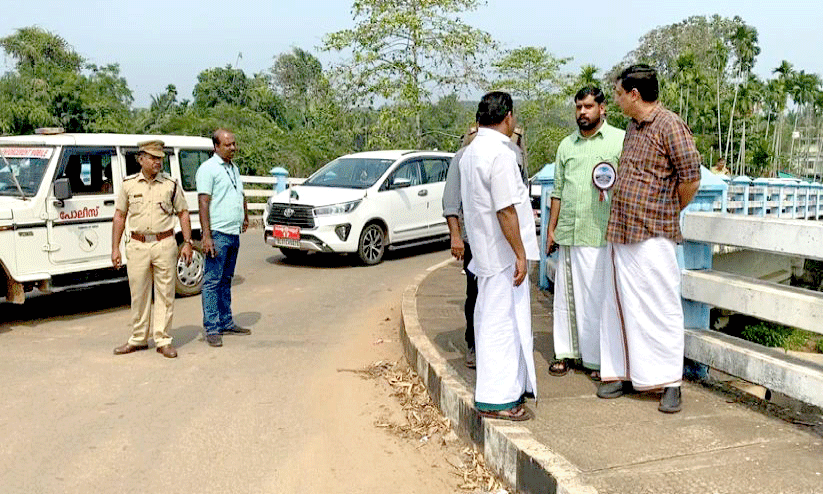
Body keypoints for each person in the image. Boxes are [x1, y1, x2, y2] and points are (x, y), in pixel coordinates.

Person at [598, 64, 702, 413]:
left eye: (617, 93)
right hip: (623, 230)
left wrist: (670, 208)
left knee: (661, 307)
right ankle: (624, 374)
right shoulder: (633, 126)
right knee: (621, 305)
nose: (615, 99)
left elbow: (690, 177)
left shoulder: (669, 124)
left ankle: (670, 381)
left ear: (634, 95)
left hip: (654, 231)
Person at [459, 91, 540, 421]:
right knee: (503, 326)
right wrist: (520, 253)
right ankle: (499, 399)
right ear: (508, 116)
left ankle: (506, 391)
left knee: (491, 319)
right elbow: (505, 209)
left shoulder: (471, 152)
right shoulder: (500, 154)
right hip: (503, 255)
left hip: (485, 252)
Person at [547, 87, 624, 380]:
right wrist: (551, 230)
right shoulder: (567, 145)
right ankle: (565, 353)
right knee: (565, 297)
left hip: (602, 232)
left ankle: (595, 360)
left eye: (588, 106)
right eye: (578, 107)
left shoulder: (618, 141)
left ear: (602, 108)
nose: (582, 112)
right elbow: (557, 191)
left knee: (596, 297)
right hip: (569, 229)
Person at [112, 140, 193, 359]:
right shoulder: (129, 184)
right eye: (152, 158)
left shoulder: (170, 184)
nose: (157, 162)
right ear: (140, 159)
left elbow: (183, 213)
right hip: (137, 244)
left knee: (165, 293)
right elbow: (119, 216)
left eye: (160, 158)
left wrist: (187, 242)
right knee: (138, 293)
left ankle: (163, 339)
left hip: (164, 243)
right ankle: (138, 338)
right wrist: (115, 249)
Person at [196, 128, 251, 347]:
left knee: (226, 280)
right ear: (216, 147)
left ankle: (226, 321)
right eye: (228, 145)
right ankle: (212, 327)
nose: (233, 148)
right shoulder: (207, 169)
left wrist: (244, 216)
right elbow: (203, 202)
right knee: (212, 282)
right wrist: (206, 236)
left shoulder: (234, 168)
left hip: (233, 232)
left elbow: (240, 194)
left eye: (234, 144)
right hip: (217, 233)